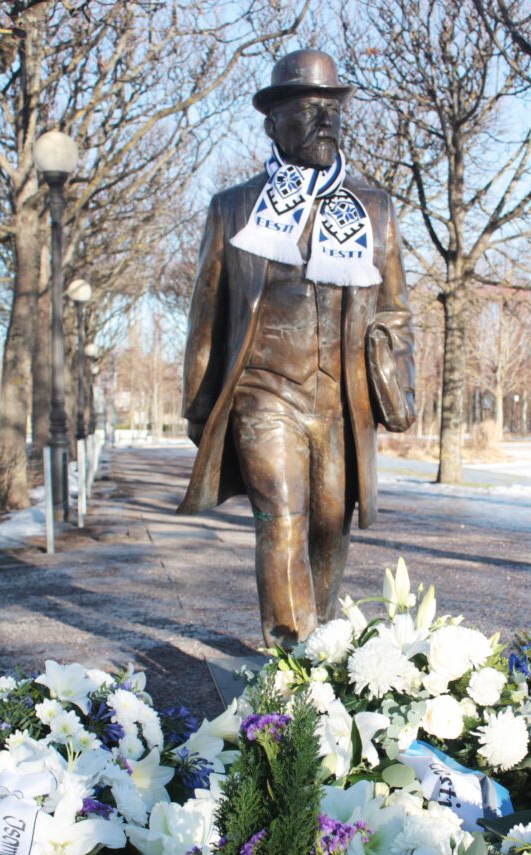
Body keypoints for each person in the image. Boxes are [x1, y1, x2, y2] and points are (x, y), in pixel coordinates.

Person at [179, 49, 415, 647]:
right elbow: (207, 313)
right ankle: (290, 657)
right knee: (281, 519)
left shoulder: (374, 208)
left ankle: (323, 644)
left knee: (330, 528)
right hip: (263, 392)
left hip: (340, 399)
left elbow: (394, 309)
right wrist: (199, 404)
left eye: (333, 110)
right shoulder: (235, 207)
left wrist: (397, 383)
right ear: (273, 123)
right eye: (310, 110)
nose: (327, 121)